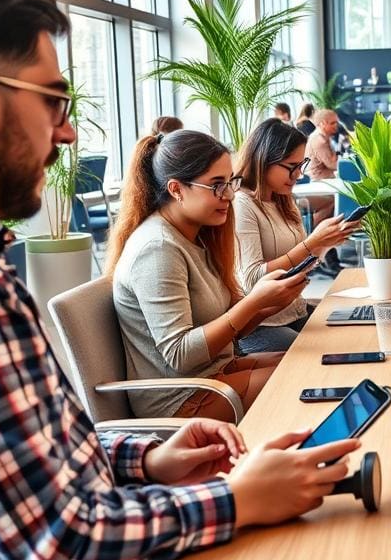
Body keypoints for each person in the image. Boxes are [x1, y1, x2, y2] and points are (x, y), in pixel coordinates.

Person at [0, 0, 359, 560]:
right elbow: (59, 548)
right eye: (53, 102)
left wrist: (143, 456)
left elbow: (35, 468)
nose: (65, 133)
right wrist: (234, 501)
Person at [107, 129, 311, 422]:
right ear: (177, 189)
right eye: (217, 185)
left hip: (212, 373)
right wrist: (253, 303)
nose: (229, 194)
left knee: (309, 364)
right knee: (303, 379)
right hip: (181, 399)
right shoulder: (158, 248)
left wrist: (273, 301)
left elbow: (232, 328)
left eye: (230, 182)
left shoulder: (197, 237)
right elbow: (180, 354)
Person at [234, 119, 360, 350]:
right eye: (290, 166)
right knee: (325, 352)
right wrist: (312, 243)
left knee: (352, 336)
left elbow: (301, 264)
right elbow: (252, 279)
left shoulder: (282, 199)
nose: (298, 175)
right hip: (262, 325)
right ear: (263, 160)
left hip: (294, 311)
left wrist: (325, 243)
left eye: (300, 165)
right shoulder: (242, 203)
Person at [304, 108, 341, 222]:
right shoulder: (319, 140)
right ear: (322, 123)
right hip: (318, 180)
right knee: (334, 200)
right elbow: (333, 164)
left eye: (336, 122)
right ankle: (312, 232)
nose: (336, 126)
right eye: (332, 123)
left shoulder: (323, 138)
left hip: (324, 179)